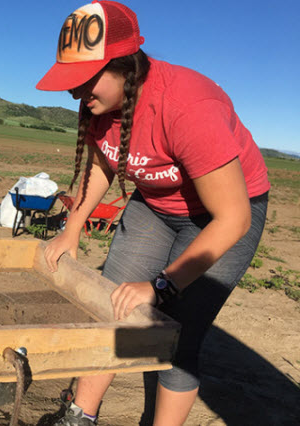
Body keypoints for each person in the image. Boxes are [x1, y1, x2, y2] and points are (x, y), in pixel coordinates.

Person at [36, 1, 270, 425]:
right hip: (156, 204)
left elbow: (233, 218)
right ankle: (78, 416)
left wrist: (161, 286)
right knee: (110, 306)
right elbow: (103, 163)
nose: (75, 94)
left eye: (85, 81)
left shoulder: (186, 105)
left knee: (177, 333)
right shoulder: (103, 107)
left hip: (223, 214)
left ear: (126, 66)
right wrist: (72, 226)